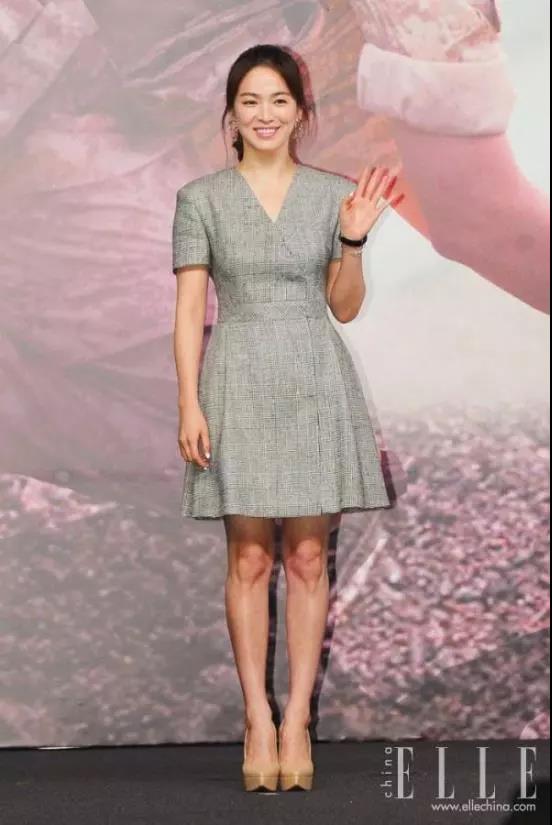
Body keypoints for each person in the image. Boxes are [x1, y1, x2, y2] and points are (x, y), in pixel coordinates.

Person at [171, 44, 403, 792]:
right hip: (236, 375)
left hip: (312, 375)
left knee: (307, 556)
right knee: (248, 557)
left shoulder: (332, 195)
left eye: (279, 100)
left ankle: (297, 717)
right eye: (250, 101)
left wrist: (355, 238)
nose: (265, 114)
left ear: (302, 111)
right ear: (231, 113)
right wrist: (188, 400)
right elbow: (189, 310)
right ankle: (256, 718)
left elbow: (344, 306)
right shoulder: (201, 199)